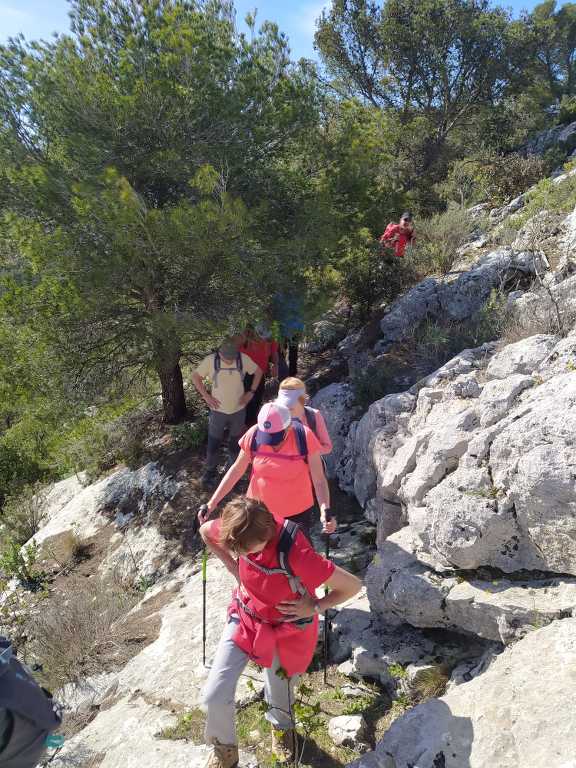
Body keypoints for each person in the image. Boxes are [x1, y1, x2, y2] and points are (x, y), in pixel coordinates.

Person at [200, 497, 362, 768]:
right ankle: (224, 750)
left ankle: (282, 729)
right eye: (243, 554)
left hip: (289, 630)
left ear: (268, 535)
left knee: (280, 686)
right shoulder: (239, 528)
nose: (248, 557)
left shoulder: (296, 552)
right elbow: (207, 531)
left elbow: (352, 586)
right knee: (214, 694)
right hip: (247, 616)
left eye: (251, 552)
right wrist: (233, 568)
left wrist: (315, 606)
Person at [198, 402, 336, 541]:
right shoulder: (253, 435)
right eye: (267, 437)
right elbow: (236, 470)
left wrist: (325, 509)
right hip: (259, 514)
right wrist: (212, 503)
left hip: (296, 515)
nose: (271, 443)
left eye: (276, 437)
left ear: (288, 427)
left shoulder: (304, 436)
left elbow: (319, 480)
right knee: (258, 560)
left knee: (294, 558)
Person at [192, 337, 263, 487]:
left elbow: (258, 372)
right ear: (220, 353)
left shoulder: (243, 358)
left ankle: (234, 473)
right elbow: (195, 377)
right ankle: (210, 472)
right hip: (217, 411)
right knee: (213, 443)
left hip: (238, 410)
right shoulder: (211, 360)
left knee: (235, 443)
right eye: (227, 357)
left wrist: (251, 392)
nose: (230, 360)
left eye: (232, 357)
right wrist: (206, 396)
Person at [276, 377, 332, 455]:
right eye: (285, 403)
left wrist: (308, 453)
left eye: (292, 402)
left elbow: (327, 446)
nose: (288, 407)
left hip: (309, 465)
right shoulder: (275, 416)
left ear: (303, 400)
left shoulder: (313, 415)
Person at [240, 323, 279, 428]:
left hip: (260, 373)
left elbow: (274, 351)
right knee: (247, 400)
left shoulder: (269, 335)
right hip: (245, 373)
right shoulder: (244, 336)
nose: (263, 340)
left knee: (257, 398)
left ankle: (251, 426)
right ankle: (245, 427)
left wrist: (275, 365)